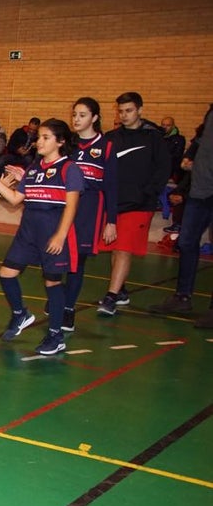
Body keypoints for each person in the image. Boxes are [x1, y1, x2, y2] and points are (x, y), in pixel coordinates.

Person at [0, 118, 83, 354]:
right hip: (28, 232)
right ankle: (20, 313)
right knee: (6, 273)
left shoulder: (69, 169)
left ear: (60, 141)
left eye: (45, 137)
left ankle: (56, 335)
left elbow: (72, 206)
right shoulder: (34, 168)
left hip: (52, 232)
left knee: (52, 283)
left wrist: (60, 235)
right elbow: (15, 199)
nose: (39, 141)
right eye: (39, 137)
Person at [97, 92, 170, 315]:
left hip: (139, 204)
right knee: (115, 248)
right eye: (120, 111)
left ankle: (111, 297)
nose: (124, 115)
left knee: (123, 249)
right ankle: (120, 291)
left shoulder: (154, 138)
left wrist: (148, 193)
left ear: (140, 110)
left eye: (128, 110)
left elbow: (164, 168)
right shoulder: (111, 137)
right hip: (114, 203)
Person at [149, 105, 213, 328]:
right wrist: (183, 185)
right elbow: (199, 147)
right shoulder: (210, 115)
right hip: (200, 191)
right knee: (186, 241)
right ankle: (182, 297)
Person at [63, 97, 117, 332]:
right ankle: (58, 295)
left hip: (90, 209)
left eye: (82, 115)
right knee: (57, 255)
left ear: (94, 118)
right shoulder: (67, 145)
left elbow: (112, 185)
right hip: (64, 206)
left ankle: (68, 309)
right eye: (74, 114)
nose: (76, 119)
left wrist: (111, 220)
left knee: (78, 260)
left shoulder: (106, 146)